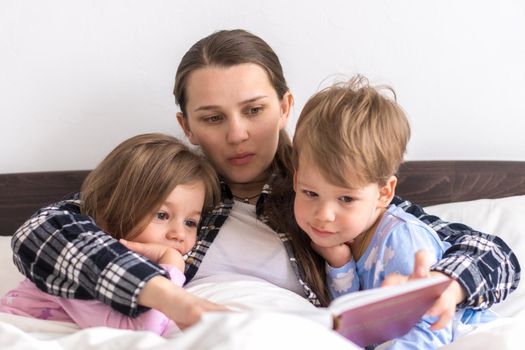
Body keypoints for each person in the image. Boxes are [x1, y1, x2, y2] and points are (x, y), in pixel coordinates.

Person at [10, 29, 520, 331]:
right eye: (212, 118)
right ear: (186, 126)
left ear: (284, 107)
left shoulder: (328, 194)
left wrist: (444, 284)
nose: (238, 135)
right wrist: (162, 295)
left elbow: (490, 251)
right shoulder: (172, 193)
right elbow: (42, 232)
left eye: (253, 110)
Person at [291, 77, 497, 349]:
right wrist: (340, 263)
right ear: (296, 181)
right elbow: (357, 320)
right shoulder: (348, 237)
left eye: (346, 198)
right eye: (310, 193)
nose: (324, 214)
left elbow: (430, 326)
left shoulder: (402, 240)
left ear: (384, 194)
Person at [1, 133, 223, 335]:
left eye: (191, 222)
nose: (179, 234)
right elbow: (142, 329)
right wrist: (172, 265)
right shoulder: (87, 263)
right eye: (162, 215)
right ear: (108, 212)